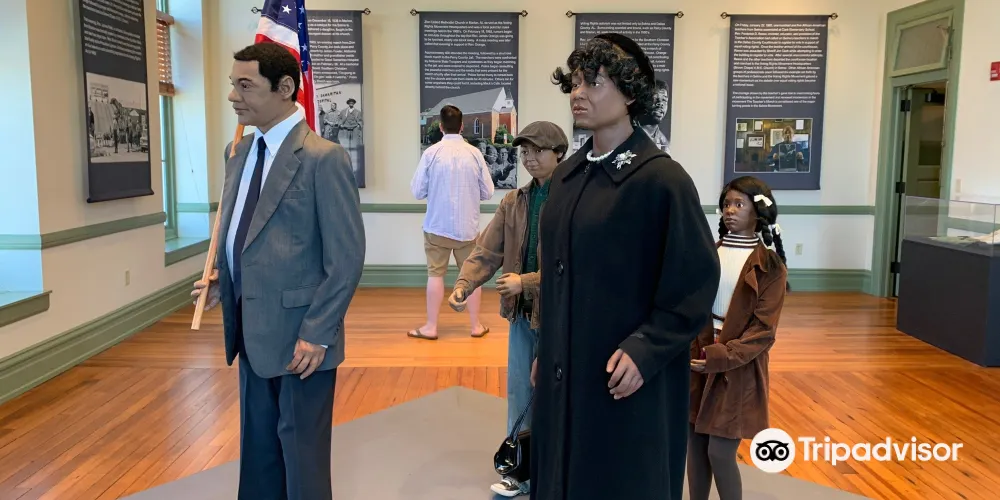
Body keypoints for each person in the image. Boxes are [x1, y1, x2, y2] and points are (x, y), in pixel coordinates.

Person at [530, 33, 721, 500]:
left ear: (631, 93)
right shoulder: (568, 176)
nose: (578, 93)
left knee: (618, 477)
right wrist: (548, 346)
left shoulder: (661, 180)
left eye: (594, 82)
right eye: (575, 82)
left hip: (624, 378)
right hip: (565, 371)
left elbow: (694, 281)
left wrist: (647, 348)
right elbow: (558, 277)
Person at [190, 42, 365, 500]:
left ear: (285, 87)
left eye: (246, 85)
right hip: (251, 333)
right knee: (259, 453)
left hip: (301, 341)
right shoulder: (239, 153)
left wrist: (318, 332)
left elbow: (346, 258)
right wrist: (224, 280)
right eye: (233, 84)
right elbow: (248, 236)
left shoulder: (324, 158)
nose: (233, 96)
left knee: (302, 459)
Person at [448, 121, 569, 497]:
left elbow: (576, 267)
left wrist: (526, 281)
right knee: (519, 393)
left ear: (559, 154)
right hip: (522, 316)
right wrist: (465, 283)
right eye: (524, 151)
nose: (529, 158)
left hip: (563, 319)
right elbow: (487, 250)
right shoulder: (514, 201)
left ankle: (559, 474)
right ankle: (520, 473)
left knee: (559, 396)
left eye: (538, 150)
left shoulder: (573, 202)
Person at [688, 176, 789, 500]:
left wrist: (718, 356)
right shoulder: (708, 254)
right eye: (726, 204)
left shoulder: (770, 266)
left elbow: (763, 332)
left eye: (739, 204)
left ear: (758, 212)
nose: (729, 210)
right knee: (695, 448)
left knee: (719, 452)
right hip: (697, 360)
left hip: (737, 368)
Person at [409, 104, 494, 340]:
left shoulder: (431, 153)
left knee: (435, 275)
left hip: (437, 226)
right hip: (468, 229)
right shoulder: (474, 153)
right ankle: (476, 326)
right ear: (462, 126)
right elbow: (488, 192)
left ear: (440, 126)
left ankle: (431, 327)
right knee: (472, 277)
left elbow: (417, 191)